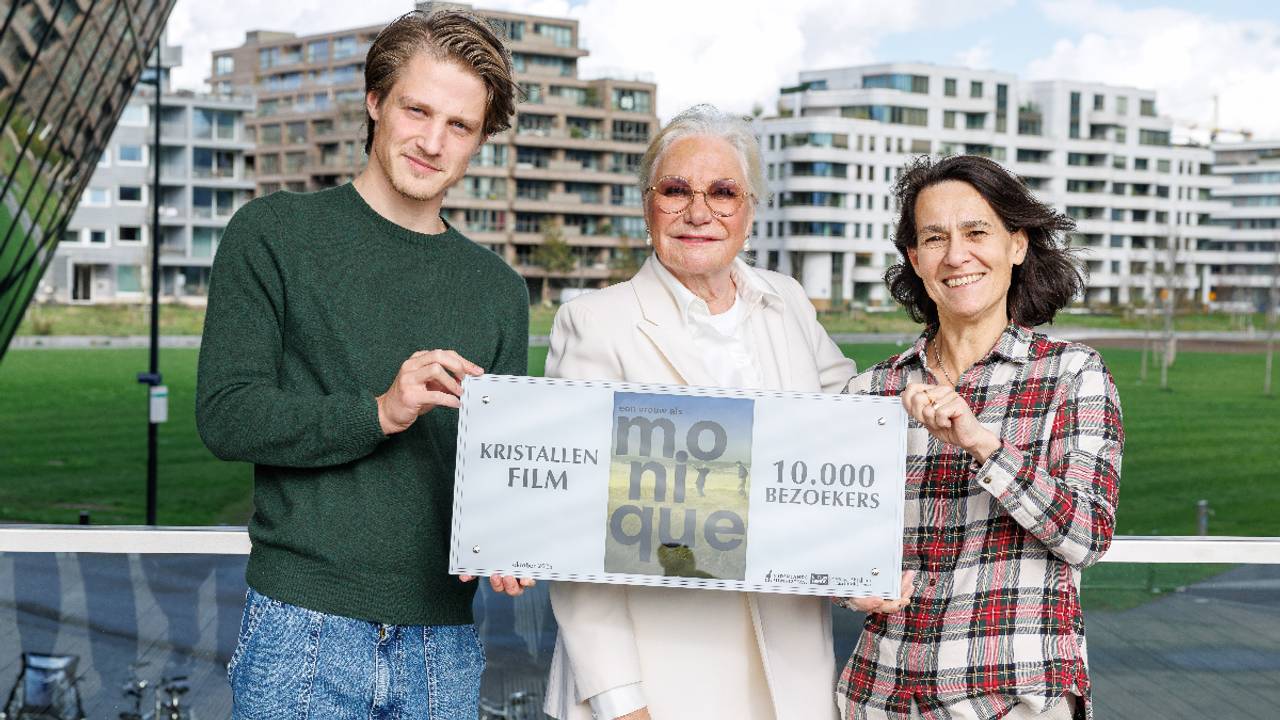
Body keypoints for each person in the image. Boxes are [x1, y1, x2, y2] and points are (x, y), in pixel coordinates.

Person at [195, 10, 531, 719]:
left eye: (460, 125)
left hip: (445, 644)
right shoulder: (274, 235)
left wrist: (513, 535)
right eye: (417, 109)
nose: (432, 141)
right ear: (375, 101)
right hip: (301, 630)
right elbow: (227, 415)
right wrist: (379, 411)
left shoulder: (498, 291)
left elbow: (498, 471)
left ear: (481, 140)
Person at [542, 104, 854, 720]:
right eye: (676, 190)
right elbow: (574, 526)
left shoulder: (786, 301)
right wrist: (619, 698)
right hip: (655, 682)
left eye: (723, 192)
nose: (699, 212)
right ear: (647, 204)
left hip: (788, 680)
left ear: (750, 208)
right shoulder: (595, 322)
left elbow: (852, 430)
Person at [837, 155, 1123, 720]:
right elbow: (837, 543)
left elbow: (1087, 536)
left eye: (976, 232)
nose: (956, 255)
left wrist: (981, 443)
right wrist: (852, 585)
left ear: (1017, 245)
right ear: (915, 261)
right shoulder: (870, 391)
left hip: (1013, 699)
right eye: (935, 238)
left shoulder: (1074, 375)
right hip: (882, 695)